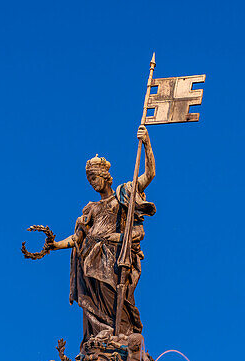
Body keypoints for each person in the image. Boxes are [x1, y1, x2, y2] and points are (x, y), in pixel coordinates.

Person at [23, 126, 156, 343]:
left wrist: (147, 143)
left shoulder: (123, 194)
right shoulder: (91, 208)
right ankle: (101, 335)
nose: (92, 183)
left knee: (115, 298)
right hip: (90, 259)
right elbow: (78, 238)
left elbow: (149, 174)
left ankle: (119, 334)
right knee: (92, 301)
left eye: (94, 178)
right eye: (90, 180)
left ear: (105, 176)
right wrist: (53, 245)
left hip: (113, 258)